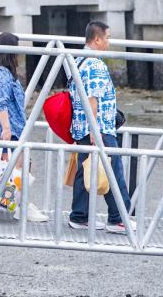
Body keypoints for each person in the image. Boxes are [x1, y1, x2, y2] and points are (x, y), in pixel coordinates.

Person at [67, 21, 133, 234]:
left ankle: (79, 216)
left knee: (85, 170)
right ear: (97, 39)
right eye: (107, 37)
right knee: (113, 171)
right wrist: (95, 129)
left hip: (82, 126)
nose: (109, 42)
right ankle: (118, 218)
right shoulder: (95, 64)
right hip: (99, 127)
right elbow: (92, 99)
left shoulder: (79, 60)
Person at [0, 32, 47, 222]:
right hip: (4, 128)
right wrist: (6, 128)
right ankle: (20, 205)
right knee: (20, 165)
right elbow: (0, 102)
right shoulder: (1, 73)